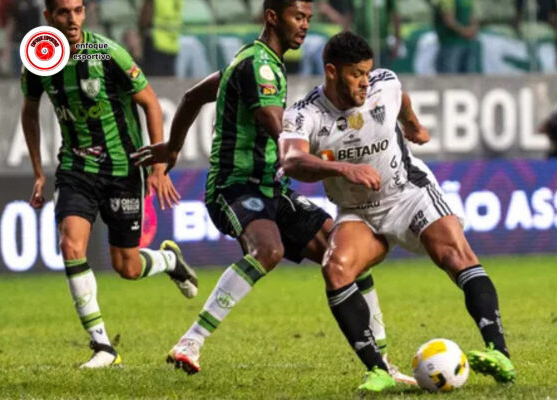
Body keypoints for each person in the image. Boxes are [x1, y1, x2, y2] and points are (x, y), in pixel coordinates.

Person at [131, 0, 413, 384]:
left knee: (345, 251)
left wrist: (174, 147)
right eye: (298, 18)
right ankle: (191, 341)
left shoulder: (255, 61)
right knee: (269, 250)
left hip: (272, 188)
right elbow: (276, 127)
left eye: (309, 19)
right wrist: (336, 152)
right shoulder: (259, 66)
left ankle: (382, 361)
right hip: (234, 186)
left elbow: (193, 96)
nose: (305, 26)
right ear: (272, 17)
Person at [279, 31, 516, 392]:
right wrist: (345, 169)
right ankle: (379, 369)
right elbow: (292, 159)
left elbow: (399, 97)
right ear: (331, 71)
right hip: (358, 210)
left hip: (408, 193)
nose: (365, 81)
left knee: (455, 253)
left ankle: (498, 352)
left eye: (367, 72)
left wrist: (412, 124)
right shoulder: (304, 114)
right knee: (336, 268)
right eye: (356, 73)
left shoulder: (383, 84)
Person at [19, 0, 197, 369]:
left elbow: (150, 102)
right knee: (70, 246)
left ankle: (169, 260)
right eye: (64, 12)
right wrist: (38, 171)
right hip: (75, 167)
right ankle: (103, 346)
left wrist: (158, 165)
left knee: (127, 267)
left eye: (78, 10)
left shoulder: (106, 52)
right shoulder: (38, 59)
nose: (72, 19)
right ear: (48, 16)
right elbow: (29, 112)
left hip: (122, 169)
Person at [434, 0, 479, 74]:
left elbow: (472, 16)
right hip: (450, 43)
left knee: (467, 77)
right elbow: (448, 19)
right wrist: (465, 31)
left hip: (465, 43)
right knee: (450, 76)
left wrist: (472, 29)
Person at [139, 0, 183, 76]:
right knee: (169, 81)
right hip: (172, 43)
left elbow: (145, 19)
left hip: (156, 42)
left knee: (155, 82)